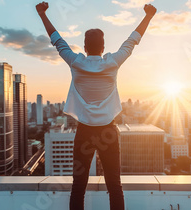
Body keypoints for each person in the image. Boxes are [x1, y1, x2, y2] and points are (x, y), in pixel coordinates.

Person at [36, 2, 157, 210]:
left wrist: (42, 14)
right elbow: (133, 40)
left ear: (84, 48)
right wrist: (148, 16)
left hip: (84, 132)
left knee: (78, 187)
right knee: (114, 186)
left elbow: (57, 40)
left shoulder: (76, 62)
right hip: (108, 132)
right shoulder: (112, 62)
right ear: (103, 48)